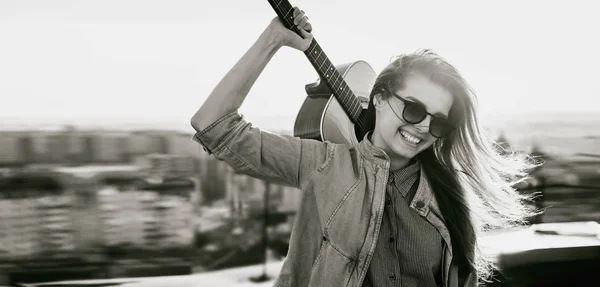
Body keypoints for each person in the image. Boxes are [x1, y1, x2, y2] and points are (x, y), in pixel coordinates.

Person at [191, 6, 536, 287]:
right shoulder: (325, 165)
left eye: (439, 121)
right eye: (413, 109)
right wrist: (273, 39)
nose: (423, 127)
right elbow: (213, 125)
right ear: (380, 98)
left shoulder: (448, 195)